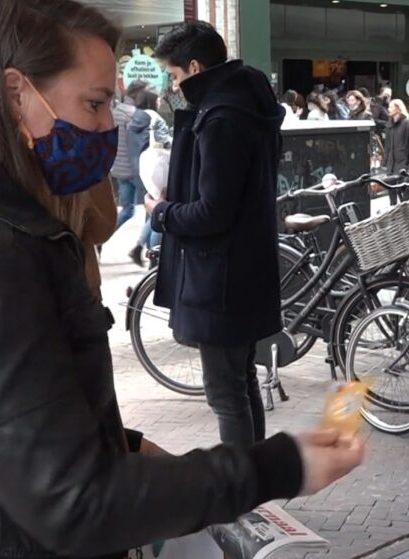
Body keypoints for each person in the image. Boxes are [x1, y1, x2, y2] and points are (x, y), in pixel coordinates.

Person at [0, 1, 364, 559]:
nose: (107, 126)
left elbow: (6, 422)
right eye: (95, 104)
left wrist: (123, 449)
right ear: (14, 92)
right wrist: (278, 467)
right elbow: (74, 500)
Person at [145, 21, 286, 449]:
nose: (172, 86)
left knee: (226, 393)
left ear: (193, 66)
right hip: (243, 270)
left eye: (173, 76)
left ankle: (240, 490)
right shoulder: (246, 105)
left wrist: (163, 212)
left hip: (219, 279)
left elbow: (213, 212)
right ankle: (252, 481)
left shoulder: (221, 118)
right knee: (240, 383)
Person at [128, 88, 171, 265]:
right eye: (158, 99)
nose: (160, 102)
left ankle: (140, 248)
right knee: (160, 211)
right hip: (158, 167)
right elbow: (164, 141)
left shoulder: (135, 117)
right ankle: (154, 256)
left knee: (152, 210)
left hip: (142, 166)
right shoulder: (154, 116)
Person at [110, 81, 143, 233]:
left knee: (127, 209)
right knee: (148, 210)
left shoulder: (115, 112)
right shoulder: (134, 115)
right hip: (133, 170)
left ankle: (105, 235)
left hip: (118, 168)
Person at [384, 98, 409, 206]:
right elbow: (387, 145)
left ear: (398, 108)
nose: (389, 109)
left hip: (402, 159)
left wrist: (408, 160)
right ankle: (393, 208)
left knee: (403, 188)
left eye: (391, 107)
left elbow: (408, 142)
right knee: (391, 188)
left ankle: (406, 209)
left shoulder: (406, 123)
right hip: (391, 160)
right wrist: (385, 161)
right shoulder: (389, 124)